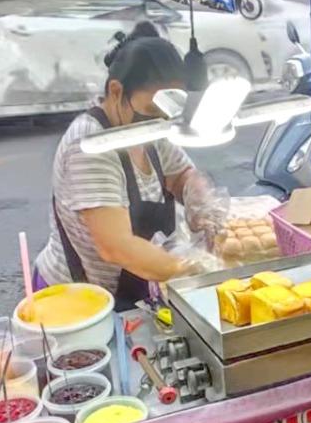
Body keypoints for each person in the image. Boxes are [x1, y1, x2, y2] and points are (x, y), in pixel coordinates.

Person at [36, 23, 222, 309]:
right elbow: (116, 246)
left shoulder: (151, 127)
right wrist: (190, 270)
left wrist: (201, 202)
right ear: (115, 90)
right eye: (150, 111)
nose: (159, 121)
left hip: (134, 287)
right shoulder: (90, 146)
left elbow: (182, 174)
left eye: (167, 113)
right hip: (79, 302)